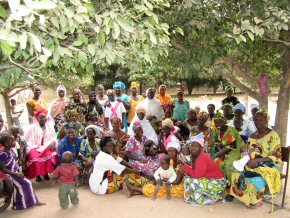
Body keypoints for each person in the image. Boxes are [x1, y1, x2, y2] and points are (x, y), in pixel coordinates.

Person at [229, 109, 282, 208]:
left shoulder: (273, 135)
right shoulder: (253, 135)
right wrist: (244, 150)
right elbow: (249, 150)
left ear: (266, 121)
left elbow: (276, 156)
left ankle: (255, 200)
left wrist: (258, 160)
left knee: (255, 176)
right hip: (253, 161)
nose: (257, 122)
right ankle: (245, 197)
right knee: (235, 169)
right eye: (255, 120)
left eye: (260, 120)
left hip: (270, 163)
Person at [0, 133, 45, 210]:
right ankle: (20, 205)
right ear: (7, 144)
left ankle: (34, 201)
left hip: (16, 172)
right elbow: (3, 169)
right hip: (10, 174)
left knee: (28, 183)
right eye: (12, 140)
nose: (14, 142)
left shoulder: (10, 151)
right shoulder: (3, 154)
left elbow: (14, 163)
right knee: (25, 184)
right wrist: (16, 173)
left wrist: (19, 171)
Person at [180, 138, 227, 205]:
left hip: (217, 182)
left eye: (196, 146)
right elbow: (195, 170)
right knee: (188, 180)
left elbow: (197, 175)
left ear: (201, 148)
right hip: (211, 179)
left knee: (192, 182)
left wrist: (184, 166)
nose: (193, 148)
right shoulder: (196, 155)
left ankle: (214, 197)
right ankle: (203, 197)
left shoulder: (202, 158)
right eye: (192, 145)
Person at [212, 112, 244, 201]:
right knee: (217, 162)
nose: (217, 124)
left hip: (236, 151)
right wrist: (220, 152)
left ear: (224, 121)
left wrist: (216, 154)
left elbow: (232, 146)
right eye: (215, 122)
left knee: (228, 165)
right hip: (225, 151)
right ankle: (222, 184)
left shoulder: (231, 130)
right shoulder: (218, 131)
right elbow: (218, 143)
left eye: (219, 122)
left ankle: (231, 191)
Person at [25, 109, 58, 182]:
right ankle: (38, 175)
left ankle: (46, 173)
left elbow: (54, 137)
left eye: (44, 117)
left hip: (46, 146)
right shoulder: (31, 128)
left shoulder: (50, 127)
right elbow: (26, 140)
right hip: (34, 146)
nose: (43, 119)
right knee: (34, 157)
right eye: (41, 117)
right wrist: (31, 148)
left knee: (52, 154)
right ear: (37, 118)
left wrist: (53, 142)